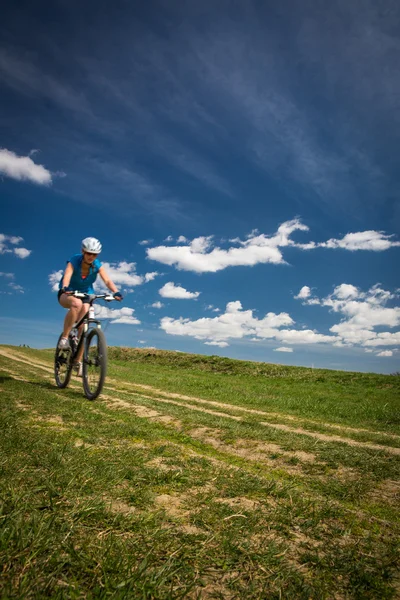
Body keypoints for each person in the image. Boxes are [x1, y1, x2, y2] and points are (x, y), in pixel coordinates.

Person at [57, 237, 123, 375]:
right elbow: (67, 275)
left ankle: (77, 361)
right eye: (88, 253)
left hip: (86, 294)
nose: (91, 257)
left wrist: (115, 291)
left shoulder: (97, 264)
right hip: (68, 292)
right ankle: (64, 338)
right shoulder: (74, 260)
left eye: (94, 254)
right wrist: (65, 287)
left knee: (83, 326)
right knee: (76, 303)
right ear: (83, 251)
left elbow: (107, 280)